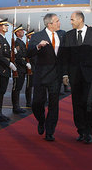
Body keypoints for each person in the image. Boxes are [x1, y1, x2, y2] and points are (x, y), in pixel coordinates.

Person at [62, 11, 92, 144]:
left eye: (72, 20)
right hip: (74, 74)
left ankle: (89, 132)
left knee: (88, 102)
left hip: (90, 74)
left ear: (80, 19)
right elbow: (65, 56)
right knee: (76, 103)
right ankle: (81, 130)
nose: (70, 22)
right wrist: (65, 73)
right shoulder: (68, 35)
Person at [27, 13, 65, 141]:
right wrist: (38, 46)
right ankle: (41, 120)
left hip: (56, 76)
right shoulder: (37, 36)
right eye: (57, 21)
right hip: (41, 75)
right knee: (37, 103)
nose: (59, 23)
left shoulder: (62, 34)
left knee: (54, 105)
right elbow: (29, 52)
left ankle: (50, 131)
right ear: (50, 24)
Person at [0, 18, 17, 122]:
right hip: (1, 68)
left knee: (2, 92)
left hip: (5, 68)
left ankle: (0, 112)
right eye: (5, 25)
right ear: (0, 27)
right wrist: (9, 64)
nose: (7, 27)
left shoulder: (4, 39)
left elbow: (6, 53)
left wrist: (12, 52)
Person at [13, 24, 29, 114]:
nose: (23, 32)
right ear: (17, 33)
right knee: (16, 88)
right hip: (19, 68)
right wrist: (26, 63)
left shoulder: (22, 42)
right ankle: (15, 107)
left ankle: (17, 106)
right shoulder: (17, 43)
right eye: (21, 31)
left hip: (22, 68)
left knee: (19, 87)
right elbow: (19, 57)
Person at [25, 29, 35, 107]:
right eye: (31, 36)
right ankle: (28, 102)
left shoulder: (34, 45)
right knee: (29, 85)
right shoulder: (27, 45)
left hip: (36, 67)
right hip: (30, 68)